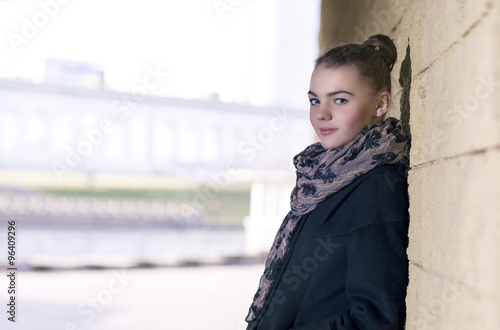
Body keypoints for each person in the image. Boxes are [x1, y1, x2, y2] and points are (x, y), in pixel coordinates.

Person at [245, 34, 411, 330]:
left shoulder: (375, 189)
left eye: (340, 100)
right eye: (314, 100)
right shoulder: (320, 181)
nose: (321, 113)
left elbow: (375, 320)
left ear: (380, 105)